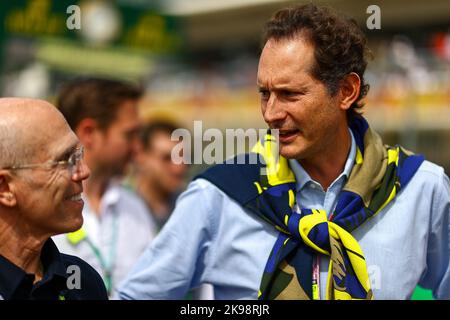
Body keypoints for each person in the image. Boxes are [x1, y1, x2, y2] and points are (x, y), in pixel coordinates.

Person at [117, 4, 450, 300]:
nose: (271, 113)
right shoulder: (218, 195)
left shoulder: (421, 188)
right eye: (265, 93)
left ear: (346, 91)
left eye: (290, 94)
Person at [52, 78, 157, 298]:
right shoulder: (43, 208)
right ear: (89, 132)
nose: (138, 147)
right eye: (130, 134)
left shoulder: (135, 208)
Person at [0, 98, 107, 300]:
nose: (84, 171)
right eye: (65, 160)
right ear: (5, 188)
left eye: (79, 154)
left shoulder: (82, 283)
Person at [133, 120, 189, 230]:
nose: (179, 168)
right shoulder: (120, 206)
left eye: (184, 158)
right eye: (167, 158)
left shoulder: (188, 206)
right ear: (140, 155)